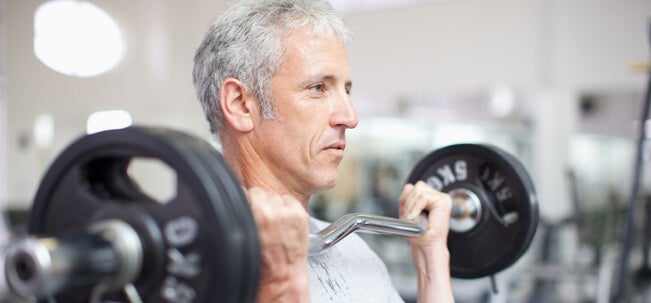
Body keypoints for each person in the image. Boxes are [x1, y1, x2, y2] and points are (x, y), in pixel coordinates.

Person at [192, 0, 454, 302]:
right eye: (318, 87)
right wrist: (277, 285)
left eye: (347, 90)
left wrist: (431, 265)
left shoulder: (352, 252)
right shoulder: (182, 263)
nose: (350, 117)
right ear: (240, 104)